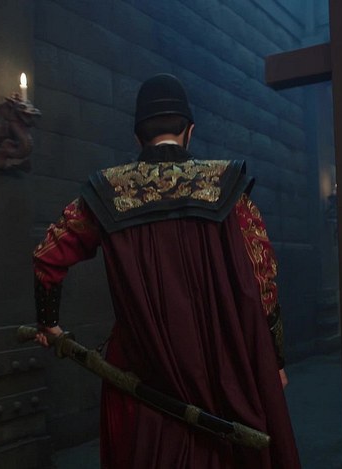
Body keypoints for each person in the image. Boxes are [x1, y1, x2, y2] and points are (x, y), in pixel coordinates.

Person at [32, 73, 301, 468]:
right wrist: (273, 360)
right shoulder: (229, 187)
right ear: (189, 131)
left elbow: (47, 256)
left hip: (143, 367)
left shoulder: (106, 191)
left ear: (137, 137)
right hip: (220, 366)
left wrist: (49, 325)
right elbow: (263, 281)